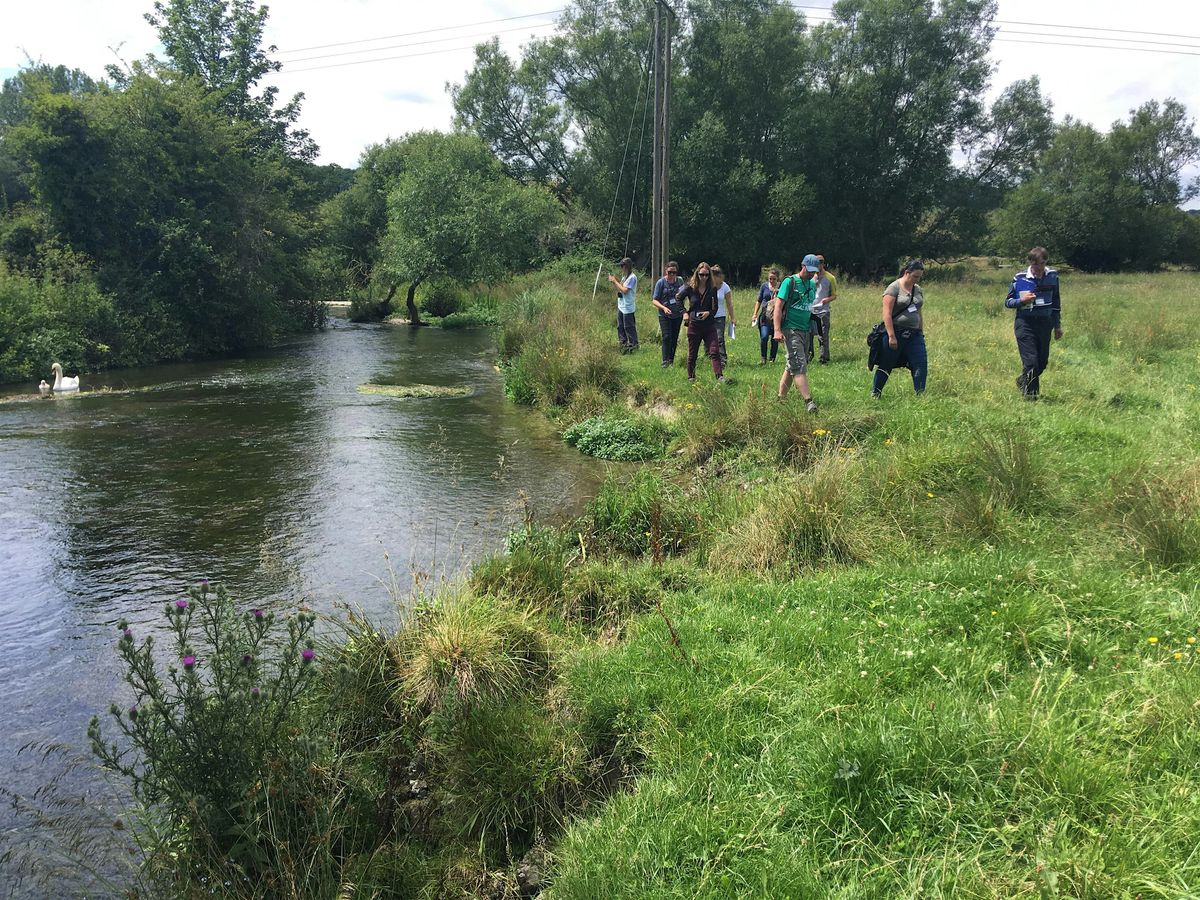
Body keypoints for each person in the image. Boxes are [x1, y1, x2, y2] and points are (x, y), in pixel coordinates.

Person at [1004, 247, 1062, 400]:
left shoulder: (1053, 276)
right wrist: (1021, 301)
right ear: (1030, 263)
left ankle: (1022, 381)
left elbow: (1056, 302)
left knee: (1042, 363)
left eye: (1042, 264)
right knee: (1031, 362)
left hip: (1045, 323)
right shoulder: (1020, 278)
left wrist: (1057, 326)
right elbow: (1008, 302)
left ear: (1046, 262)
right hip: (1025, 323)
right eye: (1035, 265)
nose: (1039, 268)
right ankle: (1031, 398)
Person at [872, 259, 927, 399]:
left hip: (915, 334)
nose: (917, 279)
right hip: (896, 332)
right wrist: (891, 336)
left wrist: (921, 332)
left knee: (921, 363)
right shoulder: (893, 288)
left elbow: (919, 312)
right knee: (886, 363)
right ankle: (876, 393)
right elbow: (887, 314)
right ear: (907, 273)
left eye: (919, 277)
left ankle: (920, 396)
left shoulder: (918, 289)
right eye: (915, 276)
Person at [773, 254, 819, 412]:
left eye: (815, 271)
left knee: (791, 364)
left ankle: (780, 398)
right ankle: (809, 401)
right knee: (799, 365)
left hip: (805, 329)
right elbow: (778, 306)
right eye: (810, 270)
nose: (812, 274)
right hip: (790, 328)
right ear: (802, 265)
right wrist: (777, 330)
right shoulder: (790, 282)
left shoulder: (812, 284)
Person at [680, 262, 724, 383]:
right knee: (693, 353)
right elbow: (678, 298)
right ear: (697, 274)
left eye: (706, 275)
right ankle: (691, 377)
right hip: (694, 325)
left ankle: (719, 376)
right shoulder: (690, 287)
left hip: (709, 325)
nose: (703, 277)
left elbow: (715, 308)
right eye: (701, 275)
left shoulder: (712, 288)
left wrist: (708, 313)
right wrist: (684, 312)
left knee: (714, 351)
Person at [652, 261, 685, 368]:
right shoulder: (661, 283)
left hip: (677, 314)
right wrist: (663, 308)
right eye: (670, 272)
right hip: (664, 314)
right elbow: (654, 300)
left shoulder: (680, 281)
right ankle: (665, 361)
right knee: (666, 336)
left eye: (674, 272)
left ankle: (671, 359)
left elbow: (684, 294)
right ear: (665, 271)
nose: (672, 274)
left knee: (674, 337)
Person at [807, 255, 838, 365]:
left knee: (823, 334)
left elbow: (834, 295)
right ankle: (809, 356)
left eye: (819, 264)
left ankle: (824, 358)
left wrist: (827, 299)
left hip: (823, 311)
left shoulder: (830, 278)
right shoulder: (810, 277)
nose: (817, 267)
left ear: (823, 264)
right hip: (811, 310)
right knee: (809, 334)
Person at [607, 257, 639, 353]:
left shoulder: (632, 277)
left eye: (622, 266)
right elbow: (620, 288)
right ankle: (623, 344)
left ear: (627, 266)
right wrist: (615, 282)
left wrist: (615, 281)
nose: (621, 268)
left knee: (628, 327)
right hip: (621, 305)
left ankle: (633, 345)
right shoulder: (625, 277)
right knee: (620, 326)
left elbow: (625, 290)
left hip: (628, 307)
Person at [753, 267, 781, 365]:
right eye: (770, 278)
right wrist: (755, 314)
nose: (772, 281)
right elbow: (759, 300)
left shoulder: (781, 287)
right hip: (765, 316)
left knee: (775, 339)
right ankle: (763, 358)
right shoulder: (764, 286)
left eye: (774, 279)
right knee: (764, 337)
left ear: (778, 279)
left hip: (776, 317)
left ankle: (772, 359)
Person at [711, 265, 735, 371]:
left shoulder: (725, 287)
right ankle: (710, 356)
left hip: (720, 316)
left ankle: (723, 359)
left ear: (720, 276)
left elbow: (729, 304)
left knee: (719, 338)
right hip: (708, 315)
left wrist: (732, 317)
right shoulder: (708, 286)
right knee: (708, 337)